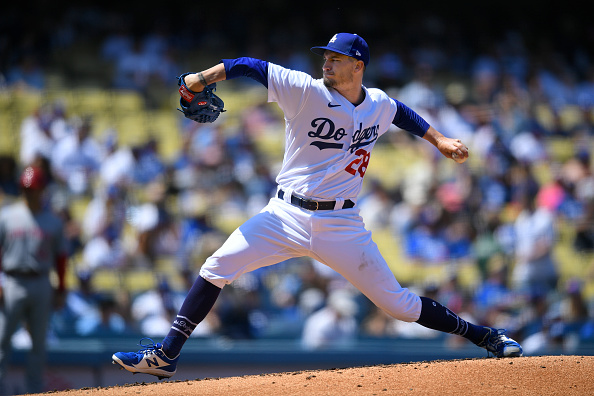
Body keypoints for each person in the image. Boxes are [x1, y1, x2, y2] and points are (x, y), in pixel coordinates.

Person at [112, 33, 523, 380]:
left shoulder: (377, 102)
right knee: (216, 268)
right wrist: (200, 78)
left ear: (357, 66)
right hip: (284, 215)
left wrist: (440, 140)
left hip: (342, 223)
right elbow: (248, 64)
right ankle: (166, 356)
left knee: (398, 305)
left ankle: (486, 336)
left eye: (336, 58)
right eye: (325, 57)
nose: (326, 63)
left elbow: (402, 114)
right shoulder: (305, 90)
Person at [0, 166, 67, 394]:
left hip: (41, 281)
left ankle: (35, 391)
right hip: (12, 281)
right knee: (2, 340)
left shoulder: (53, 222)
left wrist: (61, 289)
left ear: (42, 190)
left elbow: (61, 259)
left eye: (35, 189)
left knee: (38, 343)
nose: (31, 193)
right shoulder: (7, 216)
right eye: (27, 189)